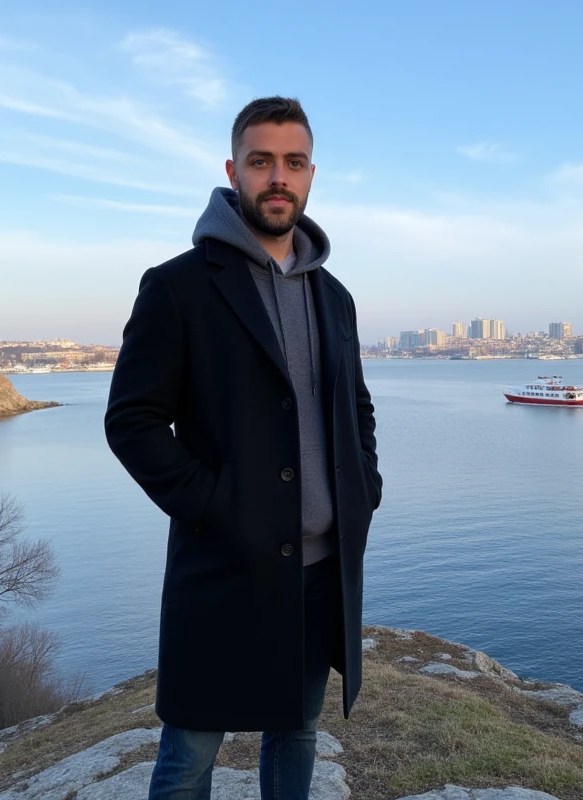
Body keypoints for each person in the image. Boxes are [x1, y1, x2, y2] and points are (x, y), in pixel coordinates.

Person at [105, 96, 382, 800]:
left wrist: (363, 489)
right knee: (191, 753)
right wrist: (213, 506)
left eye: (293, 162)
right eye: (262, 162)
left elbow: (355, 405)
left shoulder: (336, 296)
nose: (278, 177)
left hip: (321, 572)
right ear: (234, 171)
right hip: (224, 566)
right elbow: (132, 421)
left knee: (298, 731)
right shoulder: (179, 287)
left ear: (312, 174)